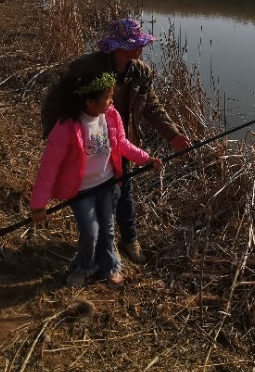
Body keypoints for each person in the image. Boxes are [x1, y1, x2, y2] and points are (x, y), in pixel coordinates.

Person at [41, 18, 191, 265]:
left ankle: (129, 239)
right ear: (118, 48)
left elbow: (152, 107)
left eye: (140, 44)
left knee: (124, 192)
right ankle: (104, 243)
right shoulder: (85, 69)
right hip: (89, 144)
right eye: (135, 44)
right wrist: (54, 136)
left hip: (121, 142)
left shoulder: (141, 72)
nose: (140, 49)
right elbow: (55, 101)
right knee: (95, 196)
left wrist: (172, 135)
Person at [31, 71, 162, 287]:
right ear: (90, 102)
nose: (112, 101)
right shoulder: (66, 127)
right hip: (81, 190)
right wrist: (38, 205)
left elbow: (122, 144)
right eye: (108, 97)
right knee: (91, 233)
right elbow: (49, 168)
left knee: (108, 230)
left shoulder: (111, 116)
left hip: (107, 184)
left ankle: (109, 266)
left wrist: (146, 158)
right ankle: (83, 267)